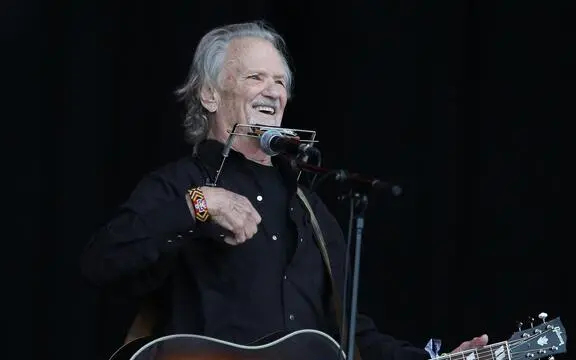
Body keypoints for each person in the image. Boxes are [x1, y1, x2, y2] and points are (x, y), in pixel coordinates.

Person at [80, 21, 489, 360]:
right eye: (255, 77)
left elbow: (349, 337)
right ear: (208, 94)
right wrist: (198, 204)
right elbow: (102, 262)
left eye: (280, 81)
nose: (273, 91)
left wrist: (434, 359)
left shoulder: (310, 209)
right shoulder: (178, 183)